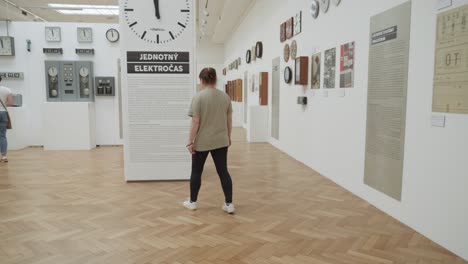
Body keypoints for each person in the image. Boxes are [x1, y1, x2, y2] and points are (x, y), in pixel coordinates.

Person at [183, 68, 235, 214]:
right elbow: (229, 120)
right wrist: (229, 136)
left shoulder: (198, 97)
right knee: (223, 172)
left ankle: (192, 202)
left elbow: (195, 121)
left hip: (202, 142)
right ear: (215, 80)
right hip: (221, 140)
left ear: (201, 80)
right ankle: (229, 204)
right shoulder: (225, 97)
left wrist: (190, 141)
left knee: (196, 172)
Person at [0, 76, 13, 163]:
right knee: (2, 135)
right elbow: (10, 103)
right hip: (3, 113)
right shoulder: (7, 90)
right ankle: (4, 156)